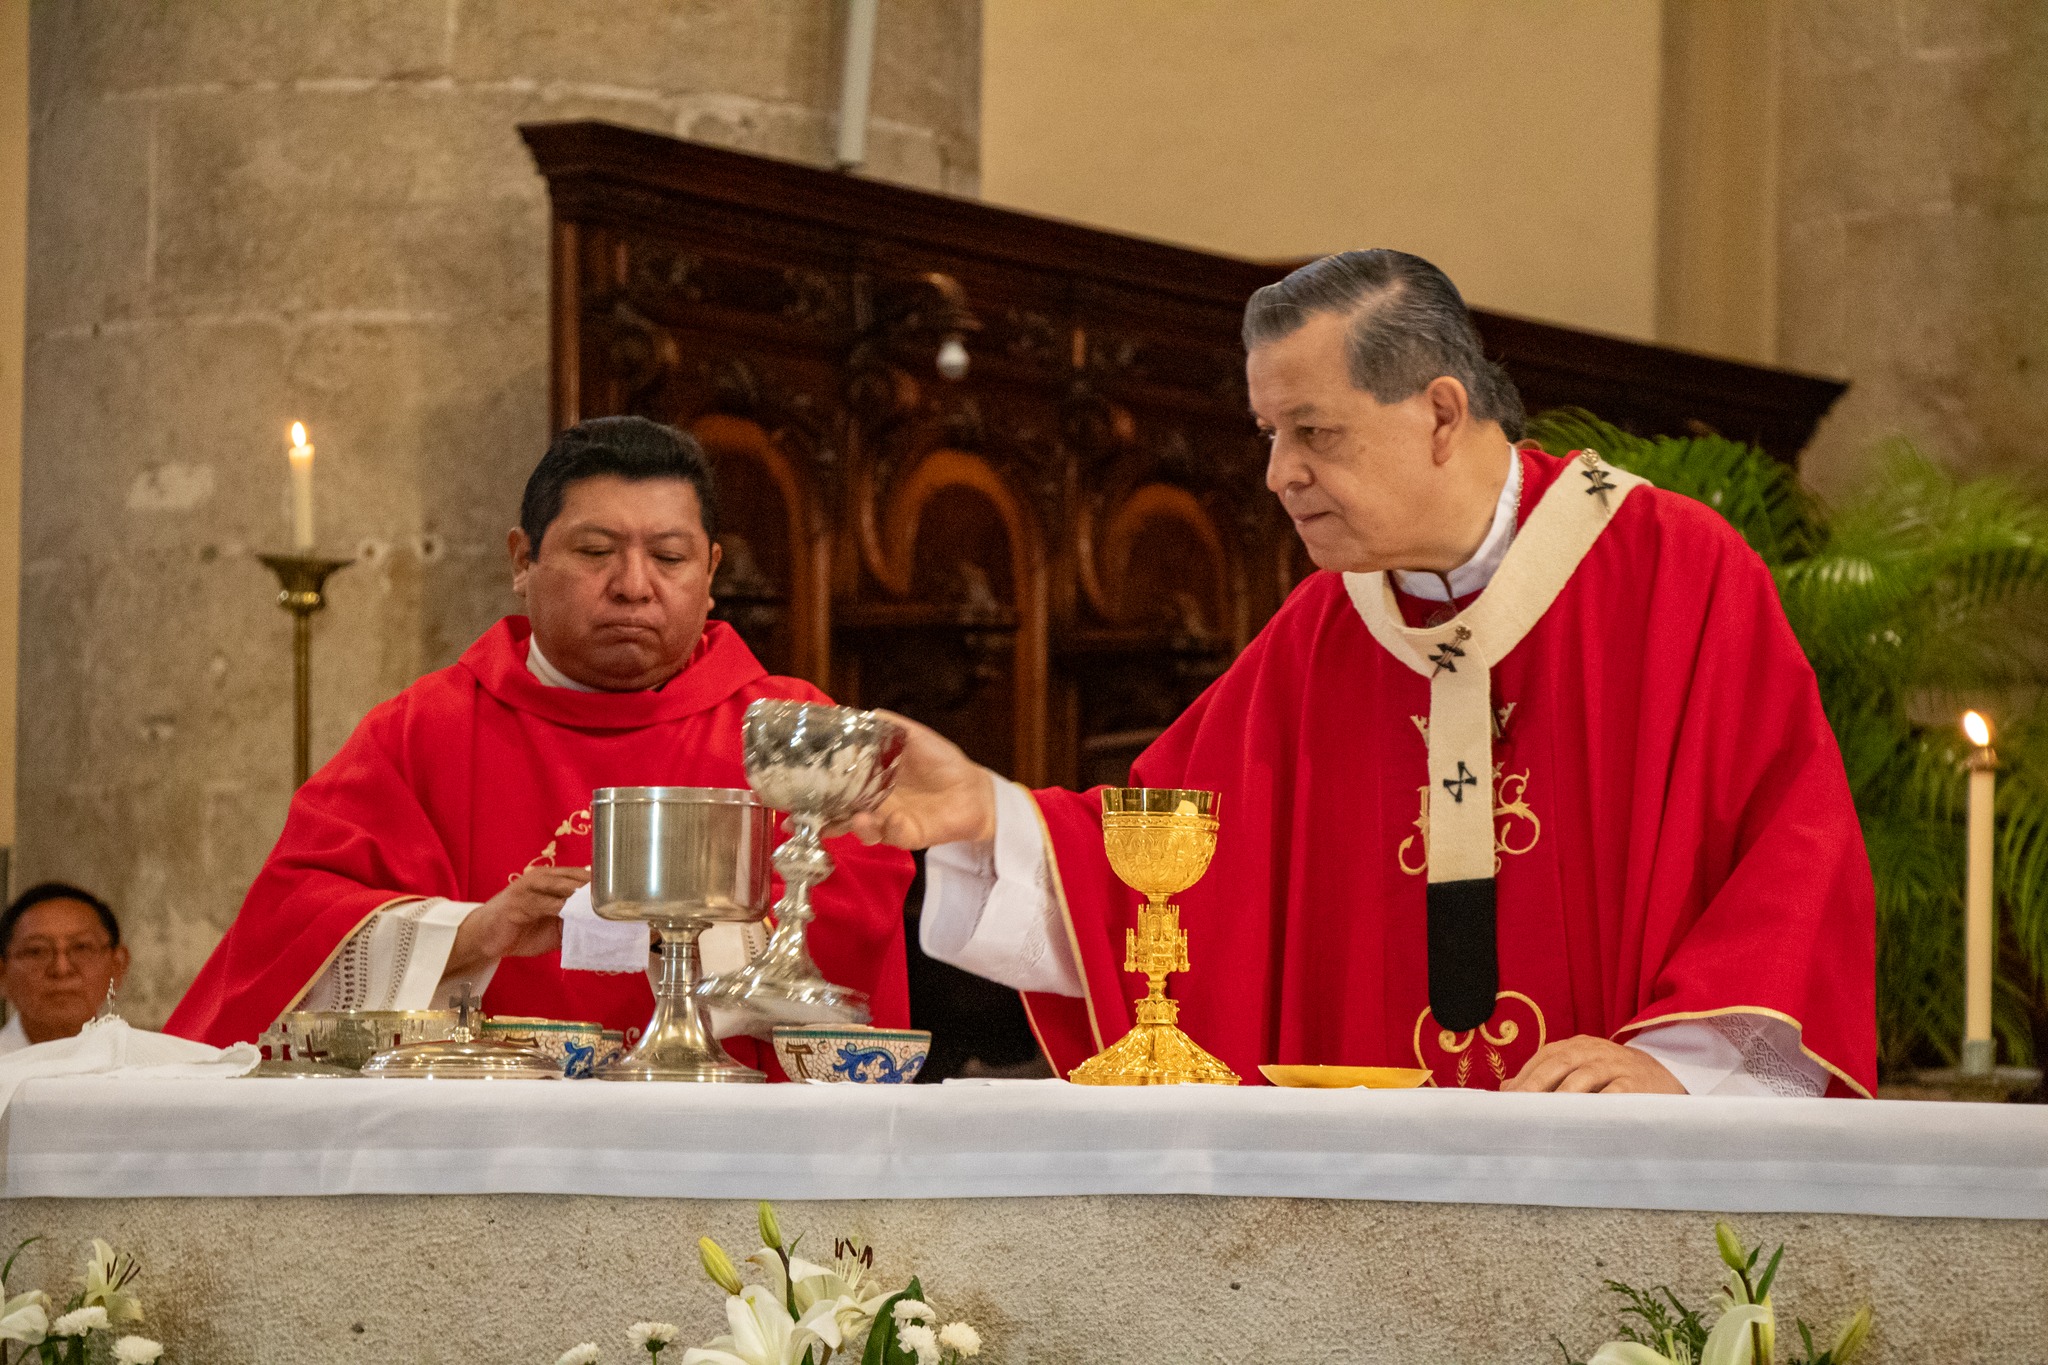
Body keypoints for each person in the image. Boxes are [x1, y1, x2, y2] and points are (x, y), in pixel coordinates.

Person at [849, 250, 1876, 1096]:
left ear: (1438, 412)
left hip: (1614, 1179)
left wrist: (1674, 1068)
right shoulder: (1325, 629)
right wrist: (986, 812)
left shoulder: (1670, 571)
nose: (1277, 474)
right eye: (1268, 434)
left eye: (1313, 432)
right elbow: (1168, 864)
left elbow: (1789, 862)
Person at [168, 417, 915, 1071]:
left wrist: (671, 937)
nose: (633, 585)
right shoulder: (423, 730)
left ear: (712, 571)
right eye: (595, 551)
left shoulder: (792, 731)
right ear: (522, 560)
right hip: (480, 1149)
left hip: (724, 1139)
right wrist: (474, 931)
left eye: (669, 556)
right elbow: (292, 924)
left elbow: (855, 906)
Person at [0, 882, 130, 1053]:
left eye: (82, 947)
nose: (61, 969)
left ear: (117, 965)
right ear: (2, 973)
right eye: (37, 951)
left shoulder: (151, 1067)